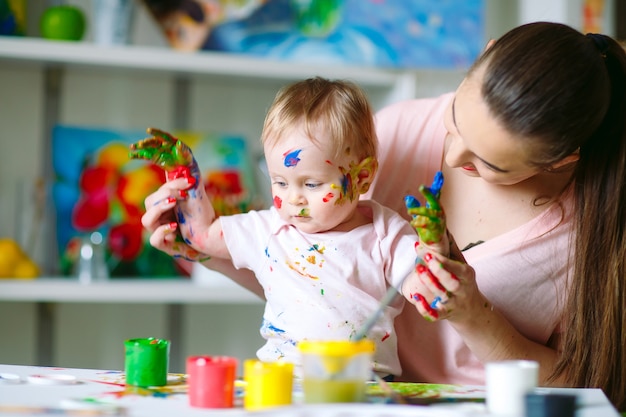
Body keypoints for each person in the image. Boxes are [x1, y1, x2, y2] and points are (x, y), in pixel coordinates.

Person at [140, 22, 626, 409]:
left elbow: (586, 388)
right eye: (455, 120)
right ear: (485, 53)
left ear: (563, 160)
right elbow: (314, 271)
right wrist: (200, 246)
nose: (453, 157)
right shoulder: (388, 134)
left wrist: (473, 315)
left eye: (490, 164)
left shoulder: (598, 233)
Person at [132, 77, 441, 378]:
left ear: (361, 178)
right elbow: (201, 236)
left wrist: (434, 247)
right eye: (279, 182)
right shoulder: (268, 228)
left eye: (310, 183)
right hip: (282, 379)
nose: (293, 198)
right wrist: (185, 173)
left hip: (365, 385)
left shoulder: (385, 232)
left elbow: (423, 288)